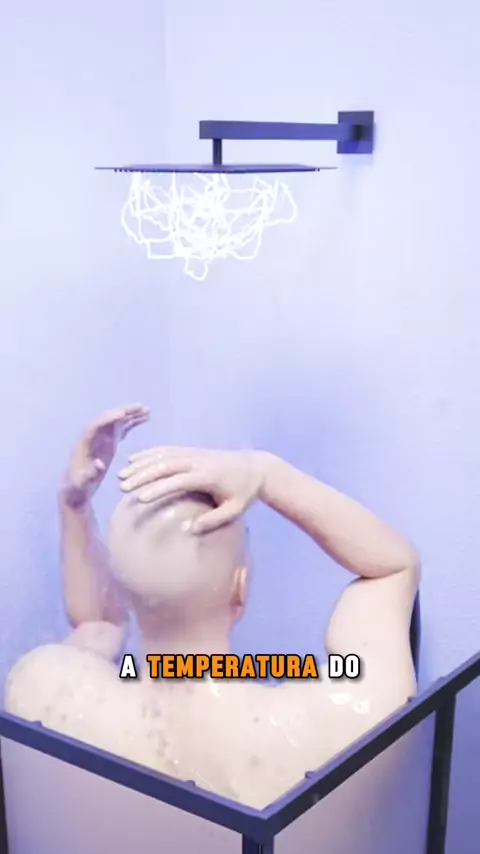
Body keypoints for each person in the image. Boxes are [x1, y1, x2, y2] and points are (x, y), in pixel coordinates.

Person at [4, 404, 420, 809]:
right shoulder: (327, 728)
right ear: (241, 587)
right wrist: (266, 473)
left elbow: (96, 624)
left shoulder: (42, 689)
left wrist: (74, 506)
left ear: (123, 590)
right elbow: (394, 568)